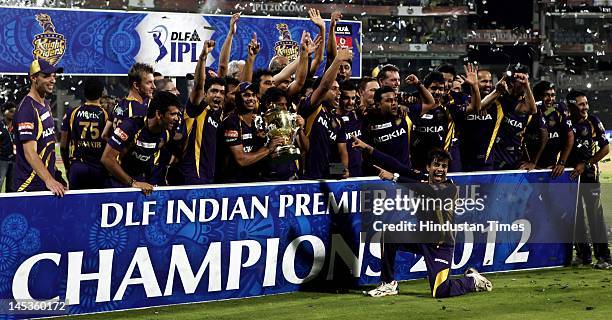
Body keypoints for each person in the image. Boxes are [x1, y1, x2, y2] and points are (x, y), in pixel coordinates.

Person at [351, 142, 493, 298]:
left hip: (441, 245)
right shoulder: (423, 179)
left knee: (440, 291)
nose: (440, 169)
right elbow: (397, 165)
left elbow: (424, 190)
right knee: (389, 235)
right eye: (436, 165)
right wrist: (369, 149)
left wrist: (393, 177)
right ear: (428, 167)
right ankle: (388, 283)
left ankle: (472, 281)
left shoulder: (450, 188)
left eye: (444, 166)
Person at [100, 91, 180, 195]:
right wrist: (132, 182)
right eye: (173, 114)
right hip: (117, 184)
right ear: (159, 114)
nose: (177, 119)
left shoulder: (167, 134)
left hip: (141, 185)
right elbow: (106, 158)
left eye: (177, 114)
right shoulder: (130, 126)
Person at [566, 91, 611, 269]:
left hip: (589, 176)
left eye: (586, 103)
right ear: (571, 105)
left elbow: (605, 148)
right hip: (569, 176)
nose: (585, 107)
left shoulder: (592, 121)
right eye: (581, 104)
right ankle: (583, 255)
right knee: (575, 216)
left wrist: (587, 163)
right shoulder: (565, 121)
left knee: (595, 215)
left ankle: (605, 257)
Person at [173, 40, 224, 185]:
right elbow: (198, 84)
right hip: (192, 176)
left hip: (209, 176)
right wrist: (202, 57)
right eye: (214, 91)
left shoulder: (217, 111)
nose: (218, 95)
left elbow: (223, 68)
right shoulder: (195, 108)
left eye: (221, 92)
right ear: (206, 93)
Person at [13, 59, 65, 196]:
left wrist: (56, 176)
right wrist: (49, 180)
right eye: (46, 76)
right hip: (29, 187)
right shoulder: (27, 110)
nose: (53, 80)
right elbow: (30, 152)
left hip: (43, 184)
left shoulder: (45, 104)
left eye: (54, 76)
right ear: (33, 78)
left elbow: (47, 145)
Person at [298, 49, 353, 179]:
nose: (338, 93)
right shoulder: (312, 107)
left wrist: (343, 170)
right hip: (308, 178)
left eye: (339, 89)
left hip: (327, 176)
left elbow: (342, 152)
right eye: (334, 89)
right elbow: (324, 85)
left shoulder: (338, 121)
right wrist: (338, 59)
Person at [217, 82, 283, 182]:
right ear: (238, 98)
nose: (251, 98)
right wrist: (268, 148)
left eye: (253, 95)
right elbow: (241, 160)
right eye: (246, 95)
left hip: (256, 179)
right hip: (234, 183)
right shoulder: (231, 122)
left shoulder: (259, 121)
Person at [483, 65, 537, 170]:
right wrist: (497, 91)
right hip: (494, 157)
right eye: (519, 81)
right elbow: (481, 106)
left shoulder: (524, 103)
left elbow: (532, 110)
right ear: (512, 82)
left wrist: (526, 85)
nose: (522, 83)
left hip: (515, 159)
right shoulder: (500, 98)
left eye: (525, 80)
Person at [60, 78, 108, 190]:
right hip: (98, 168)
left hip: (78, 167)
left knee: (76, 205)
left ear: (84, 93)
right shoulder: (106, 115)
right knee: (97, 205)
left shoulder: (72, 113)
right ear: (101, 93)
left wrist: (68, 168)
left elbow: (63, 146)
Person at [460, 69, 501, 171]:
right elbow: (477, 107)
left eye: (490, 81)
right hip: (463, 160)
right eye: (483, 81)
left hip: (486, 161)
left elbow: (532, 110)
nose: (488, 84)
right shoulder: (463, 101)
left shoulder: (497, 103)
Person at [101, 62, 155, 140]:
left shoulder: (118, 105)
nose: (154, 86)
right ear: (136, 85)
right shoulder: (138, 107)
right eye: (149, 83)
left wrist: (115, 149)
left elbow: (104, 135)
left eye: (153, 82)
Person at [532, 81, 574, 178]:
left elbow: (570, 136)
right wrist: (531, 162)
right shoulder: (529, 110)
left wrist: (561, 162)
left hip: (550, 168)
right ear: (537, 96)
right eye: (546, 95)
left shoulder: (559, 109)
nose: (550, 99)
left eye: (553, 95)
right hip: (530, 167)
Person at [336, 81, 364, 177]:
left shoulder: (359, 116)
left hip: (359, 174)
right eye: (346, 98)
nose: (350, 102)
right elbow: (328, 155)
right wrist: (341, 172)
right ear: (339, 97)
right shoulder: (332, 121)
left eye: (353, 98)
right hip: (339, 177)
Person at [0, 102, 16, 192]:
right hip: (2, 159)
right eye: (11, 111)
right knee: (0, 181)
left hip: (14, 159)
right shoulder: (0, 125)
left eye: (15, 111)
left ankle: (9, 206)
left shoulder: (16, 126)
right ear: (3, 112)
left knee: (11, 186)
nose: (13, 113)